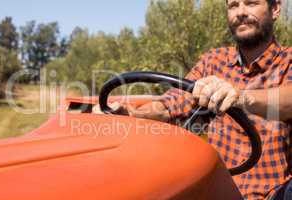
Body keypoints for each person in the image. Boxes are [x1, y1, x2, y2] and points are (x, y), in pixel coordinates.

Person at [93, 0, 292, 199]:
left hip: (272, 193)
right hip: (215, 191)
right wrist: (131, 114)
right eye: (233, 5)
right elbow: (171, 103)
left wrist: (241, 97)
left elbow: (287, 101)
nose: (240, 12)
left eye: (251, 3)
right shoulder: (214, 61)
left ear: (274, 9)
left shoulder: (288, 61)